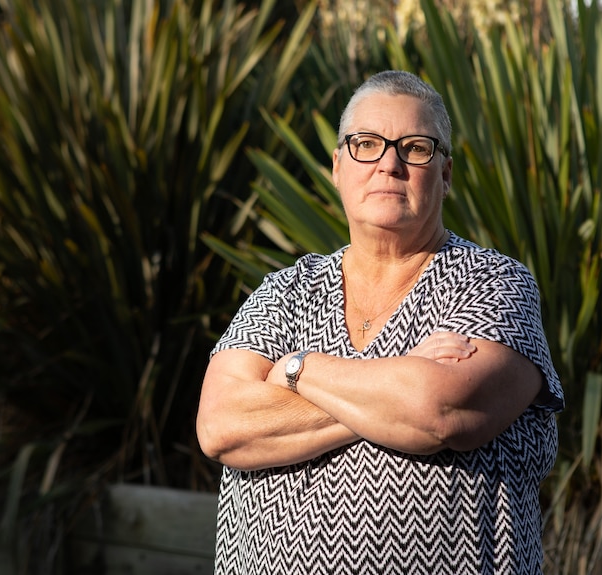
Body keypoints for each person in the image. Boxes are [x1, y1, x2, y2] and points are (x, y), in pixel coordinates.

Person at [196, 70, 564, 575]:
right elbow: (221, 425)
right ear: (338, 166)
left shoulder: (494, 284)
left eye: (415, 148)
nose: (389, 164)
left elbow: (439, 410)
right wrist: (399, 382)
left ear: (446, 173)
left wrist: (298, 370)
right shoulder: (284, 292)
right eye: (366, 144)